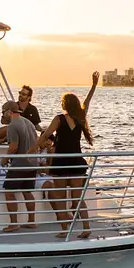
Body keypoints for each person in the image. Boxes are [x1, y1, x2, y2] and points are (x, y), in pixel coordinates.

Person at [34, 71, 99, 239]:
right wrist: (93, 85)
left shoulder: (59, 119)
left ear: (65, 104)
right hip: (76, 161)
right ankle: (86, 227)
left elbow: (45, 135)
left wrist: (31, 150)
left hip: (61, 161)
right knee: (78, 199)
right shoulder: (80, 117)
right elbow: (87, 101)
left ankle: (65, 229)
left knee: (60, 197)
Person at [1, 101, 40, 232]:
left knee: (9, 192)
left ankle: (13, 223)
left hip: (19, 164)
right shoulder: (28, 122)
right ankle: (31, 221)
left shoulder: (12, 125)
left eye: (3, 112)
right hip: (33, 163)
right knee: (27, 192)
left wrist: (4, 159)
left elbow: (13, 147)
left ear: (9, 112)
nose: (3, 115)